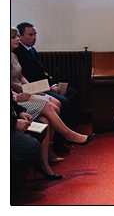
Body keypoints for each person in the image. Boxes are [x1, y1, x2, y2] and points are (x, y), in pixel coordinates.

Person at [11, 28, 92, 160]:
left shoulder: (13, 55)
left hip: (24, 90)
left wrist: (32, 88)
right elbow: (11, 85)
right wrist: (27, 91)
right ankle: (68, 135)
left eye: (18, 36)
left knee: (56, 104)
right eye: (14, 37)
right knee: (51, 107)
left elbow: (21, 77)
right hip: (16, 96)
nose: (17, 39)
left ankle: (50, 152)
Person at [12, 23, 78, 121]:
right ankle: (64, 133)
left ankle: (69, 128)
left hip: (33, 86)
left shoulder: (27, 51)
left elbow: (35, 73)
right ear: (22, 36)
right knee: (60, 103)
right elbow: (20, 80)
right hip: (27, 89)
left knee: (72, 93)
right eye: (30, 35)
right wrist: (39, 89)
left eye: (35, 34)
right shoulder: (17, 51)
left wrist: (53, 85)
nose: (34, 37)